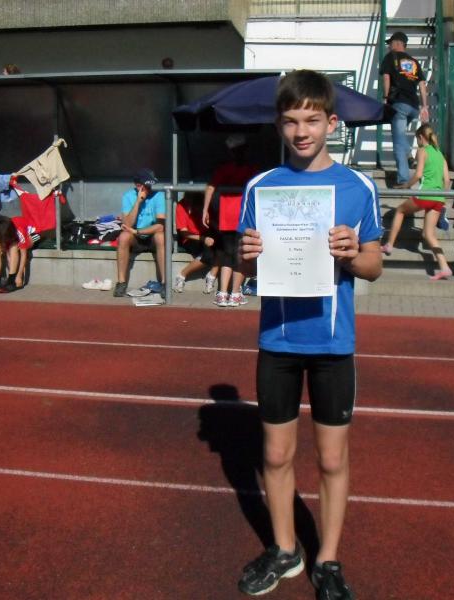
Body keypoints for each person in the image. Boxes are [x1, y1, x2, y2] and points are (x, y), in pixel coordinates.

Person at [237, 69, 382, 599]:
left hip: (332, 343)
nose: (302, 132)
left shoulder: (358, 187)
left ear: (332, 123)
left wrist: (352, 253)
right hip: (277, 341)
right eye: (292, 121)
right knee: (275, 456)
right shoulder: (261, 187)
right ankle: (284, 550)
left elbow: (373, 266)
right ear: (279, 124)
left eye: (312, 120)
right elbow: (248, 266)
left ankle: (328, 559)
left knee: (331, 459)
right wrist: (246, 256)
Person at [381, 123, 452, 280]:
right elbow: (447, 180)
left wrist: (406, 185)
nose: (417, 143)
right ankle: (444, 267)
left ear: (420, 137)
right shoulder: (440, 154)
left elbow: (418, 174)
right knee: (429, 234)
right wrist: (443, 199)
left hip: (425, 194)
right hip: (439, 198)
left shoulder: (422, 151)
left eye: (417, 139)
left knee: (400, 210)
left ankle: (389, 245)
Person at [203, 134, 259, 307]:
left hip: (227, 217)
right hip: (243, 217)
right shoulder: (250, 169)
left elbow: (211, 187)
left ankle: (222, 293)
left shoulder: (225, 168)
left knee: (227, 254)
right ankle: (234, 293)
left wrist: (205, 210)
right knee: (240, 255)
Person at [380, 31, 429, 186]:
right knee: (400, 136)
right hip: (413, 106)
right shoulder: (414, 62)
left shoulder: (390, 57)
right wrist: (424, 106)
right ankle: (409, 157)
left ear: (397, 43)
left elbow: (386, 77)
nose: (389, 46)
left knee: (398, 144)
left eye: (390, 43)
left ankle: (403, 180)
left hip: (399, 104)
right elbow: (422, 85)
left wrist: (385, 97)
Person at [113, 168, 166, 297]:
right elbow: (127, 224)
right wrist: (138, 202)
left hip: (152, 235)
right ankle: (121, 283)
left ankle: (165, 283)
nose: (151, 188)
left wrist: (137, 231)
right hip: (135, 237)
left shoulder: (159, 195)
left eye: (152, 185)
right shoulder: (128, 196)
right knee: (123, 237)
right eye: (147, 185)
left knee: (161, 237)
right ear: (138, 186)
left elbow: (160, 226)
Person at [173, 192, 218, 293]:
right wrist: (203, 239)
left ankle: (212, 275)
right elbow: (184, 233)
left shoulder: (206, 204)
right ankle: (182, 274)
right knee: (209, 255)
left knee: (222, 248)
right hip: (190, 238)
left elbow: (213, 225)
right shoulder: (182, 205)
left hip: (207, 235)